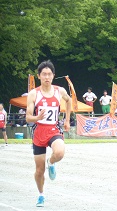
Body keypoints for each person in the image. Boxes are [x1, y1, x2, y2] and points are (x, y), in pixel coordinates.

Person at [26, 60, 71, 207]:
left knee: (60, 152)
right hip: (39, 132)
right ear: (39, 76)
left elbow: (69, 101)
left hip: (53, 129)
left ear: (53, 76)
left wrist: (67, 120)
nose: (47, 77)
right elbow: (28, 117)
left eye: (49, 74)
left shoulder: (60, 91)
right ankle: (41, 195)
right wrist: (37, 117)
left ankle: (51, 163)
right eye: (44, 74)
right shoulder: (34, 94)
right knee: (39, 171)